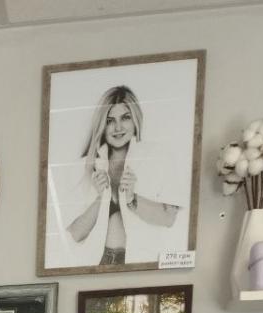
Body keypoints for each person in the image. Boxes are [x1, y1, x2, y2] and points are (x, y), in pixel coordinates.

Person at [64, 85, 181, 267]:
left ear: (135, 119)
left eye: (125, 117)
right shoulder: (88, 165)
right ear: (102, 125)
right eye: (110, 120)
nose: (118, 127)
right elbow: (75, 233)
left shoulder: (158, 157)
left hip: (141, 262)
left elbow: (169, 219)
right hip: (99, 263)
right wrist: (101, 198)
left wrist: (132, 199)